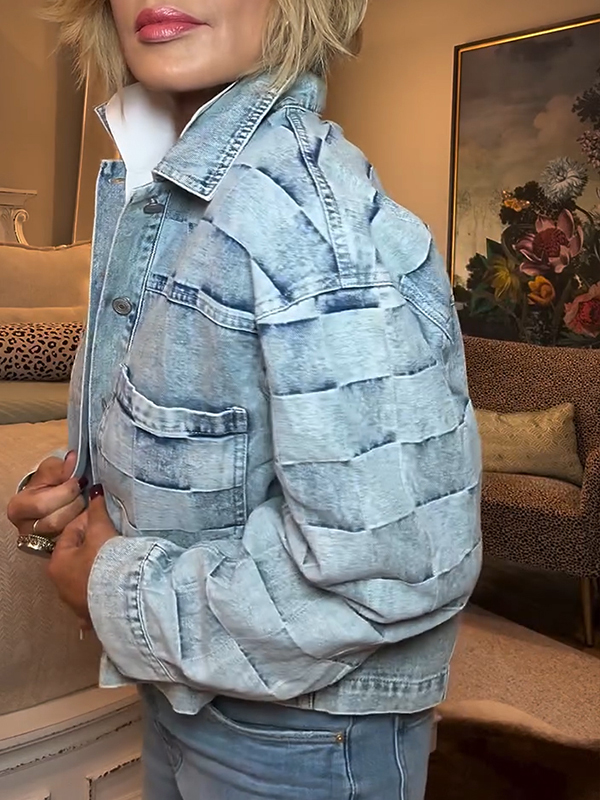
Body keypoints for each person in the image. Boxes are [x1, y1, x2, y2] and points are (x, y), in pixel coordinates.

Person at [7, 1, 482, 798]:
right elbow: (221, 443)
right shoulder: (167, 191)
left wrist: (113, 587)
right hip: (189, 698)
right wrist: (85, 496)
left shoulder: (304, 216)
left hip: (298, 742)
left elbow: (390, 576)